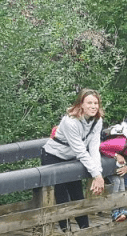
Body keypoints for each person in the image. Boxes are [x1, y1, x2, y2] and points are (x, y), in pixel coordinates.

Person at [41, 88, 106, 232]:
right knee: (61, 193)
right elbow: (81, 151)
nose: (93, 106)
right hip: (53, 156)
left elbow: (94, 148)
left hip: (72, 158)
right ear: (81, 104)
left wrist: (98, 173)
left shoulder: (97, 120)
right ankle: (65, 229)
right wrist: (96, 175)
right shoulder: (70, 122)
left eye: (96, 103)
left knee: (77, 193)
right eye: (89, 103)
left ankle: (85, 229)